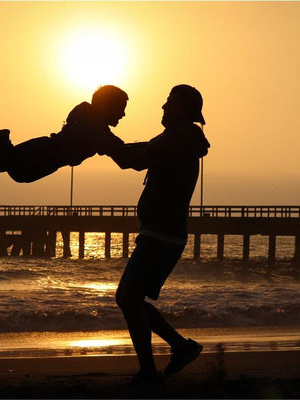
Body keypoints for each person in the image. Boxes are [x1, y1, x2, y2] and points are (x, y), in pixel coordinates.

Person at [106, 84, 210, 385]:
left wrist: (102, 138)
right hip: (161, 233)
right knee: (130, 298)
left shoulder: (178, 139)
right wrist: (111, 144)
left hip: (162, 235)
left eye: (171, 103)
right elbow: (139, 150)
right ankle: (179, 348)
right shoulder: (176, 138)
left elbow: (134, 159)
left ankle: (153, 369)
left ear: (186, 111)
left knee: (128, 298)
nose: (163, 107)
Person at [0, 85, 128, 188]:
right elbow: (125, 155)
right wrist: (152, 149)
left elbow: (121, 150)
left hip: (46, 148)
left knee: (15, 168)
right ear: (108, 107)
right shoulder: (98, 130)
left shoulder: (91, 121)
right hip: (48, 153)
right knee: (15, 168)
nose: (123, 115)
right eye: (121, 108)